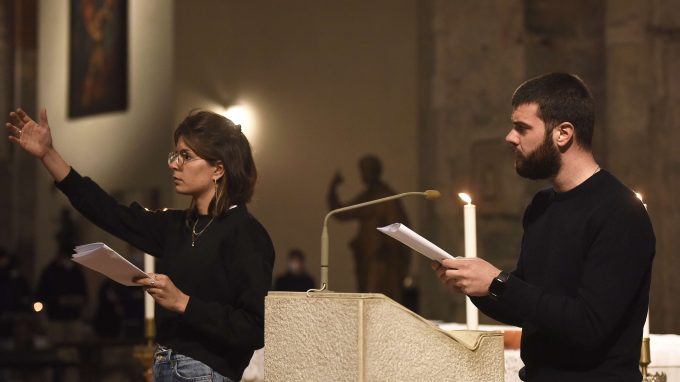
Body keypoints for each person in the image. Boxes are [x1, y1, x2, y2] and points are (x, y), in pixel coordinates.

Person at [6, 108, 275, 382]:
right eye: (175, 154)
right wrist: (48, 154)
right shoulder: (177, 226)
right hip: (165, 365)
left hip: (206, 372)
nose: (174, 164)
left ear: (218, 169)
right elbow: (107, 212)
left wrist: (183, 303)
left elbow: (255, 327)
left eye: (186, 156)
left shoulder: (246, 234)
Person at [432, 73, 655, 381]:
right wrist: (475, 286)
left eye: (522, 128)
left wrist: (498, 283)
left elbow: (588, 325)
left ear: (563, 133)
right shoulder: (542, 205)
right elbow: (530, 309)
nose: (510, 138)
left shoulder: (619, 211)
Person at [327, 155, 411, 303]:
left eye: (366, 170)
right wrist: (333, 190)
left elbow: (397, 231)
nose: (363, 174)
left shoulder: (386, 197)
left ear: (375, 171)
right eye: (362, 170)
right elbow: (341, 213)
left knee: (377, 300)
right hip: (365, 257)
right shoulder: (366, 197)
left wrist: (386, 250)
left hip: (381, 260)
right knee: (366, 299)